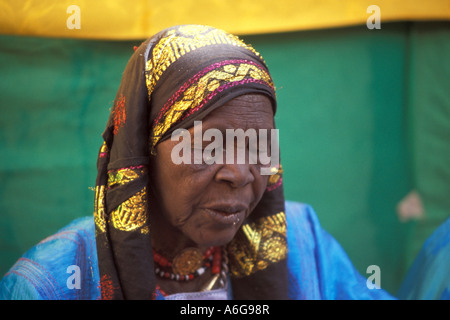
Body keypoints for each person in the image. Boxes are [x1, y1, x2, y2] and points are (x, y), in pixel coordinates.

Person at [0, 25, 447, 300]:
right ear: (142, 152)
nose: (238, 174)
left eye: (258, 147)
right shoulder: (52, 283)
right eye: (207, 147)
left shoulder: (303, 247)